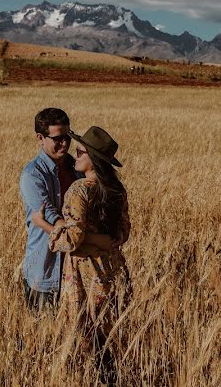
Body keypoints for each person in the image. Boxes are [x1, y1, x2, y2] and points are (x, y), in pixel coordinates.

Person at [32, 126, 131, 381]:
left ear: (93, 159)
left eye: (80, 152)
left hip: (86, 274)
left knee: (85, 338)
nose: (74, 155)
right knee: (110, 337)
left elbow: (72, 240)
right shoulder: (117, 190)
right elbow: (123, 234)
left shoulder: (79, 190)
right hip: (114, 269)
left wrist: (45, 225)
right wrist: (102, 239)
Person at [19, 109, 117, 310]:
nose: (64, 143)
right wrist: (94, 239)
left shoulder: (77, 167)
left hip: (79, 269)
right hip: (47, 270)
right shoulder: (32, 175)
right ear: (40, 138)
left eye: (67, 137)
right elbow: (51, 217)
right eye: (58, 138)